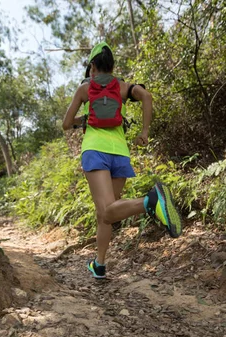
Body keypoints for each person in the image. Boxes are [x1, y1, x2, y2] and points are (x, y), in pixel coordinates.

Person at [62, 41, 182, 279]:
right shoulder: (123, 87)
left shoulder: (84, 89)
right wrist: (144, 132)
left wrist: (82, 120)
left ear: (93, 67)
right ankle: (100, 264)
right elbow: (146, 96)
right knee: (106, 213)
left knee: (107, 212)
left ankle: (150, 201)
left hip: (95, 151)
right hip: (120, 153)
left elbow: (66, 124)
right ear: (112, 65)